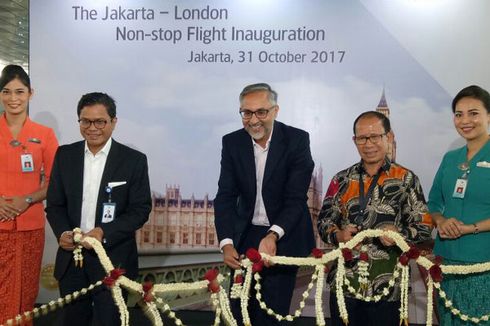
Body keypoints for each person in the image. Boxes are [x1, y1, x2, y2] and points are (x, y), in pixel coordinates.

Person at [45, 92, 151, 326]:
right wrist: (63, 233)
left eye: (100, 121)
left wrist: (104, 232)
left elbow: (140, 209)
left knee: (110, 321)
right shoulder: (65, 155)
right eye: (85, 121)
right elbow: (54, 205)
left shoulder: (133, 160)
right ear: (79, 121)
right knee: (72, 320)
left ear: (114, 122)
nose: (92, 128)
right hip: (72, 260)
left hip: (113, 260)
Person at [317, 111, 432, 326]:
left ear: (388, 137)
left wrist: (399, 235)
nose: (368, 144)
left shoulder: (406, 179)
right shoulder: (341, 179)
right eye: (362, 138)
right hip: (345, 284)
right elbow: (323, 221)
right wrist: (338, 234)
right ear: (355, 141)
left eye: (375, 137)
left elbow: (424, 225)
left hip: (389, 286)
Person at [214, 83, 315, 325]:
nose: (253, 120)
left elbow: (295, 199)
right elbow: (225, 196)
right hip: (245, 238)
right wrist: (226, 243)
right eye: (246, 113)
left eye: (261, 112)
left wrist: (273, 235)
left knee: (271, 315)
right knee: (239, 313)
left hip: (283, 236)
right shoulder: (232, 142)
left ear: (275, 111)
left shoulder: (297, 140)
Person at [0, 64, 59, 324]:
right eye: (7, 91)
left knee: (24, 294)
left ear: (30, 94)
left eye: (20, 92)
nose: (14, 98)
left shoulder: (44, 135)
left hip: (30, 227)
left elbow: (56, 181)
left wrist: (27, 199)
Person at [428, 85, 490, 325]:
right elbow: (434, 201)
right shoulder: (450, 158)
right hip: (447, 260)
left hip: (483, 262)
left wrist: (471, 227)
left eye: (473, 113)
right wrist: (441, 220)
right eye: (458, 114)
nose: (465, 120)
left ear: (488, 116)